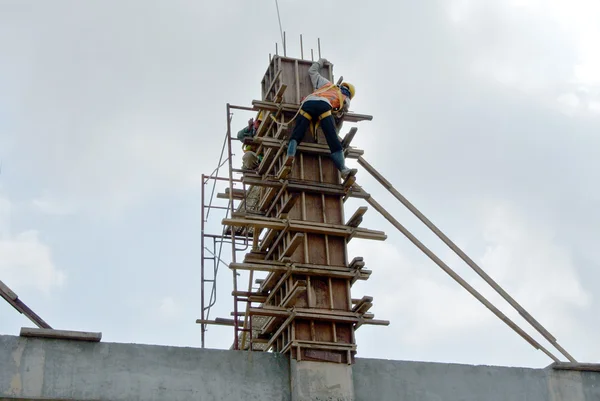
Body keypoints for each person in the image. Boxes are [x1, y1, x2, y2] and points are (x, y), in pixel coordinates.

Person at [284, 58, 357, 179]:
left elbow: (312, 71)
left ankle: (290, 156)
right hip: (324, 106)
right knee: (332, 140)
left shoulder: (327, 84)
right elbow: (340, 117)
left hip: (308, 102)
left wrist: (321, 62)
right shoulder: (346, 99)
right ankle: (343, 169)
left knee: (297, 133)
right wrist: (335, 130)